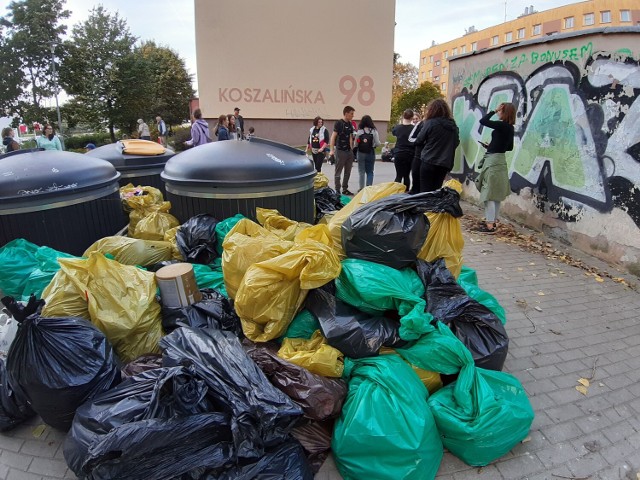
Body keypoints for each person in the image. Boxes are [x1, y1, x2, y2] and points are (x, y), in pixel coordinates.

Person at [474, 102, 516, 233]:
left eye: (500, 111)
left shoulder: (502, 125)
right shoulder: (509, 127)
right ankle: (493, 222)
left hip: (492, 161)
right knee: (496, 193)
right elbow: (509, 147)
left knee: (488, 193)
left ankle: (490, 225)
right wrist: (491, 146)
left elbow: (483, 120)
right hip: (500, 160)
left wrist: (493, 109)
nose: (498, 112)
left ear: (505, 112)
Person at [415, 99, 460, 193]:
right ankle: (433, 207)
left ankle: (426, 207)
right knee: (436, 190)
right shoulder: (453, 126)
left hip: (428, 161)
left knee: (425, 191)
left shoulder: (430, 123)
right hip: (444, 163)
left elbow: (419, 140)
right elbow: (456, 142)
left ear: (432, 110)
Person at [329, 105, 356, 195]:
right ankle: (337, 189)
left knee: (347, 172)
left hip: (348, 151)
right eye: (351, 114)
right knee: (338, 172)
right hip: (340, 151)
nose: (353, 116)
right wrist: (332, 150)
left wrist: (351, 150)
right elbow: (333, 137)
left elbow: (350, 138)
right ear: (346, 113)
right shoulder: (339, 123)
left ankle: (345, 188)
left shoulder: (350, 124)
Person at [354, 115, 381, 190]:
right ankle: (368, 188)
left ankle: (361, 189)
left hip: (361, 153)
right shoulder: (374, 131)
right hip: (370, 152)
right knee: (370, 171)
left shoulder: (359, 131)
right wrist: (373, 145)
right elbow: (378, 143)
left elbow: (355, 143)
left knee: (361, 171)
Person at [391, 109, 415, 191]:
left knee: (398, 175)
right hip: (410, 154)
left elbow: (393, 132)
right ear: (412, 118)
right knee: (406, 175)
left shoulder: (397, 128)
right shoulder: (414, 129)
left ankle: (395, 192)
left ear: (403, 116)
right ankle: (406, 193)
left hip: (398, 153)